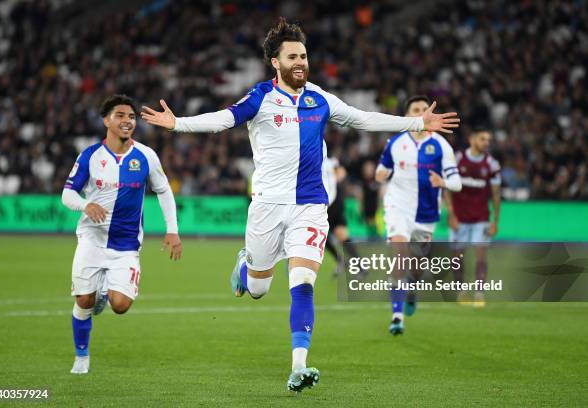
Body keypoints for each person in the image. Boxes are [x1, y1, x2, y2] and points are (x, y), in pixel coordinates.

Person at [141, 19, 459, 391]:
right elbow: (222, 120)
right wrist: (178, 123)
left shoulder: (320, 99)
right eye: (292, 56)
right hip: (267, 207)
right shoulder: (260, 97)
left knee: (303, 281)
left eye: (304, 56)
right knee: (258, 289)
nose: (300, 62)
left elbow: (364, 119)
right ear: (275, 62)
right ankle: (245, 266)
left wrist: (417, 122)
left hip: (310, 207)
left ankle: (298, 366)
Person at [62, 95, 182, 374]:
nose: (127, 121)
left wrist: (172, 231)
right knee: (83, 301)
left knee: (121, 305)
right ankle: (81, 356)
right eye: (120, 115)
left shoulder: (146, 156)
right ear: (106, 121)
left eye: (131, 116)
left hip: (126, 245)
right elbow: (67, 194)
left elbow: (164, 191)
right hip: (92, 238)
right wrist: (85, 204)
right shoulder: (90, 156)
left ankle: (105, 292)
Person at [375, 95, 462, 336]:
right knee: (399, 256)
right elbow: (381, 172)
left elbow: (456, 183)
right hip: (397, 208)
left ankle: (412, 288)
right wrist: (381, 174)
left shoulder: (442, 145)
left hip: (426, 214)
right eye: (417, 109)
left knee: (416, 267)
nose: (423, 112)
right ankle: (397, 316)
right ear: (408, 116)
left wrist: (443, 181)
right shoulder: (396, 142)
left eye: (426, 108)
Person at [444, 128, 501, 307]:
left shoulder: (492, 165)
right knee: (457, 256)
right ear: (472, 139)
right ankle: (461, 292)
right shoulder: (458, 159)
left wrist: (495, 221)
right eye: (483, 138)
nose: (486, 143)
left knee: (481, 255)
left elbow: (496, 195)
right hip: (459, 218)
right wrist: (451, 214)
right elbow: (447, 188)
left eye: (488, 140)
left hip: (481, 218)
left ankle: (479, 293)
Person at [322, 157, 361, 276]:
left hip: (335, 206)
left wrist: (333, 179)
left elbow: (342, 172)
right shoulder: (312, 160)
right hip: (322, 206)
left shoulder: (330, 162)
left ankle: (359, 266)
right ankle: (340, 260)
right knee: (322, 238)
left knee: (343, 237)